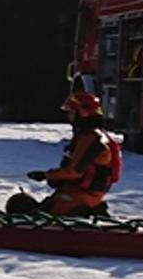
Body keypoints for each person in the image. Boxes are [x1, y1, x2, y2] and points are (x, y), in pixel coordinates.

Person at [26, 88, 122, 217]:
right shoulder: (90, 136)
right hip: (79, 193)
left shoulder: (91, 139)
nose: (68, 116)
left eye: (71, 112)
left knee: (42, 214)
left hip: (81, 197)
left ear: (82, 113)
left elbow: (74, 172)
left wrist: (48, 175)